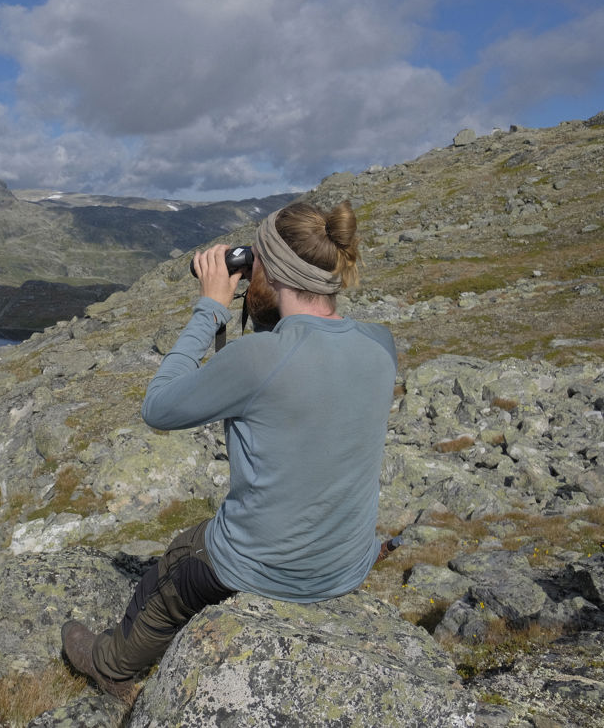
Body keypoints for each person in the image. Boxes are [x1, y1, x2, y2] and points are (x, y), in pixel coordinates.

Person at [61, 200, 398, 701]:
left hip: (263, 568)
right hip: (347, 565)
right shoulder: (380, 343)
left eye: (255, 258)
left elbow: (158, 407)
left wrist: (211, 307)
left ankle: (110, 665)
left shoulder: (257, 358)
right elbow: (297, 363)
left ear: (272, 269)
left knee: (178, 560)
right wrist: (264, 301)